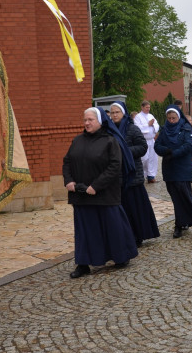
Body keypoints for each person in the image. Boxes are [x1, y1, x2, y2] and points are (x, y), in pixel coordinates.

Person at [62, 108, 139, 278]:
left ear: (100, 121)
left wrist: (96, 186)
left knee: (112, 228)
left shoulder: (110, 141)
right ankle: (83, 263)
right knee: (84, 231)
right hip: (81, 195)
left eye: (90, 120)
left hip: (104, 195)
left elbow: (114, 167)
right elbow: (67, 161)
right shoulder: (77, 140)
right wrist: (68, 180)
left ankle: (120, 257)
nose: (87, 123)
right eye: (85, 120)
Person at [108, 102, 160, 247]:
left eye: (117, 112)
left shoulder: (132, 128)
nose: (114, 115)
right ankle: (126, 234)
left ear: (123, 112)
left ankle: (139, 235)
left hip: (132, 174)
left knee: (135, 208)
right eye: (112, 113)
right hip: (116, 176)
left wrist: (124, 152)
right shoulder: (109, 130)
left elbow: (142, 147)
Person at [154, 107, 192, 238]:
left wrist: (174, 153)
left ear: (178, 117)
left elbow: (189, 145)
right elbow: (157, 146)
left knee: (183, 195)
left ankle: (179, 224)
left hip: (182, 167)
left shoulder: (185, 129)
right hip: (169, 168)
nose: (171, 121)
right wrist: (167, 151)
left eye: (174, 118)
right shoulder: (165, 130)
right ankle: (184, 220)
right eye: (169, 118)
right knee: (175, 197)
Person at [135, 100, 159, 183]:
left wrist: (153, 125)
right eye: (146, 107)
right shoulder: (138, 117)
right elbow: (137, 128)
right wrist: (148, 125)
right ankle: (142, 175)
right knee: (144, 158)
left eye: (149, 107)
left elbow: (157, 125)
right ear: (142, 107)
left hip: (151, 140)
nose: (148, 109)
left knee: (152, 159)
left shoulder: (151, 116)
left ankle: (151, 176)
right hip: (143, 140)